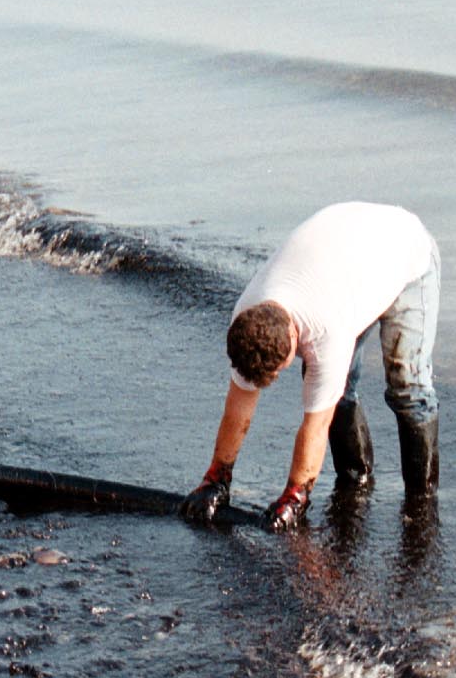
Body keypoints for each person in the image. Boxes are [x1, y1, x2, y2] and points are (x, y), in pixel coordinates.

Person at [180, 201, 441, 532]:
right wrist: (216, 478)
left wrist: (294, 497)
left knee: (407, 388)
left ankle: (421, 503)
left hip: (404, 253)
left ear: (293, 346)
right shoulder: (247, 318)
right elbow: (237, 409)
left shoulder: (324, 334)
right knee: (337, 388)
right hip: (348, 259)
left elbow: (315, 426)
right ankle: (356, 482)